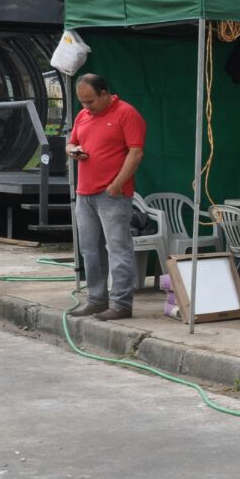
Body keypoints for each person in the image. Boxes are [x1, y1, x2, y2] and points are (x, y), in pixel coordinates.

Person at [66, 74, 145, 321]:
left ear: (104, 93)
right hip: (84, 192)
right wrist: (73, 151)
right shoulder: (83, 116)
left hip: (112, 194)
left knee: (118, 248)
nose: (86, 106)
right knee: (89, 249)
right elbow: (70, 143)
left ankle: (121, 303)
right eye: (82, 102)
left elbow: (136, 152)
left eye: (90, 101)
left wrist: (117, 184)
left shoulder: (126, 113)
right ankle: (97, 299)